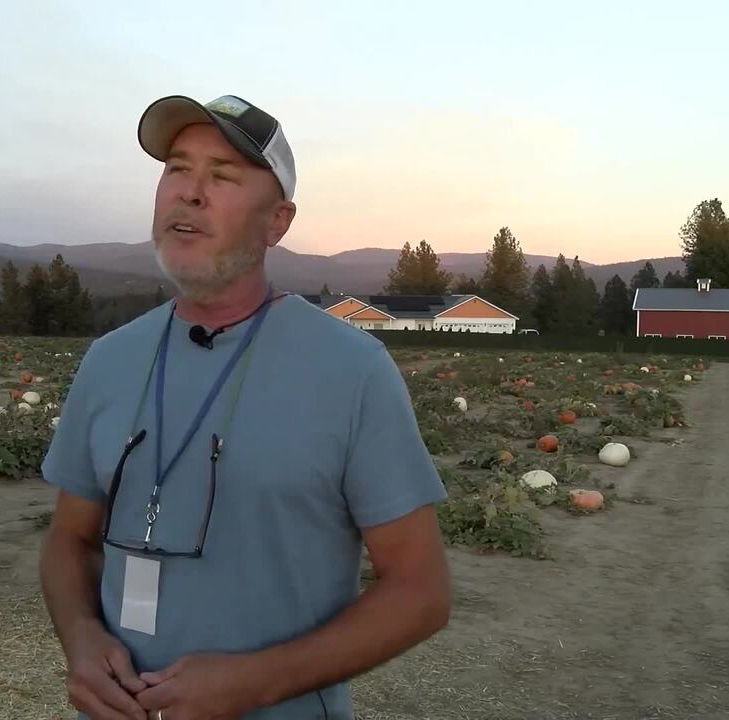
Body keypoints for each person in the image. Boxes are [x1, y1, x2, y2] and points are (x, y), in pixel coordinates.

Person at [39, 94, 451, 720]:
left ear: (277, 221)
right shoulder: (109, 360)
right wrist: (82, 640)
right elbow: (69, 540)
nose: (190, 192)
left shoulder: (352, 371)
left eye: (223, 176)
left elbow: (421, 592)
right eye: (177, 168)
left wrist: (256, 683)